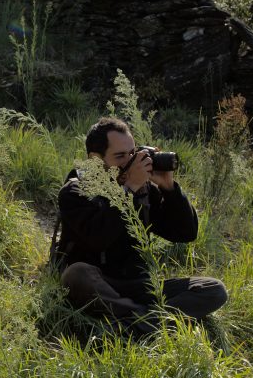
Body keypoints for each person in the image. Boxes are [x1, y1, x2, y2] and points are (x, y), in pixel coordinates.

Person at [54, 117, 227, 335]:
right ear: (95, 159)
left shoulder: (143, 191)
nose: (130, 162)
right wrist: (129, 189)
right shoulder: (75, 193)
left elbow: (185, 233)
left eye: (132, 153)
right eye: (119, 156)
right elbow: (99, 237)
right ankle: (152, 321)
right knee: (76, 274)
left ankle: (129, 327)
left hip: (138, 284)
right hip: (98, 282)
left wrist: (169, 188)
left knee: (214, 290)